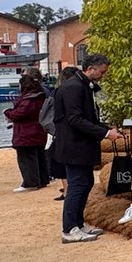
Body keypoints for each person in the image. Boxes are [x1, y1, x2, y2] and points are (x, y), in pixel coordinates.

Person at [52, 54, 122, 244]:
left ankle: (78, 223)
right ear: (91, 68)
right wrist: (105, 134)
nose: (103, 75)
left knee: (85, 183)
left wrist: (107, 129)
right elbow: (75, 119)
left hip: (80, 146)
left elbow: (88, 118)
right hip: (73, 146)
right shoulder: (74, 87)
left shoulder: (81, 85)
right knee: (76, 186)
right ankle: (69, 229)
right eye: (102, 72)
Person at [4, 74, 49, 192]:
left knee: (26, 158)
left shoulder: (29, 99)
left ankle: (30, 183)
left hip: (26, 133)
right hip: (38, 130)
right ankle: (42, 180)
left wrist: (8, 112)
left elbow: (19, 114)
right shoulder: (40, 97)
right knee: (39, 156)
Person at [47, 67, 77, 201]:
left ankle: (67, 189)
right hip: (68, 132)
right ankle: (68, 189)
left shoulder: (56, 93)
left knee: (62, 162)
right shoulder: (71, 93)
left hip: (59, 132)